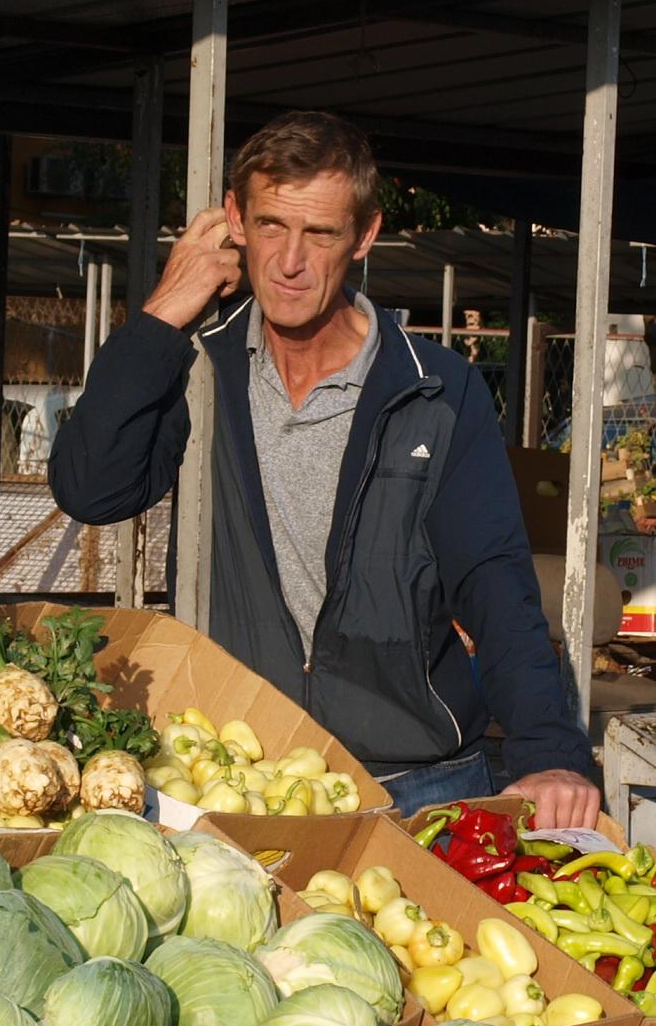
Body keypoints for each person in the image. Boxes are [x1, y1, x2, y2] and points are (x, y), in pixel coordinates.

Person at [49, 111, 600, 825]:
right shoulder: (198, 370)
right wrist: (160, 316)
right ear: (234, 220)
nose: (289, 262)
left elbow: (492, 578)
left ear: (364, 236)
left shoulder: (434, 388)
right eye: (272, 226)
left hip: (417, 782)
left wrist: (549, 750)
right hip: (242, 775)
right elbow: (93, 488)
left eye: (320, 234)